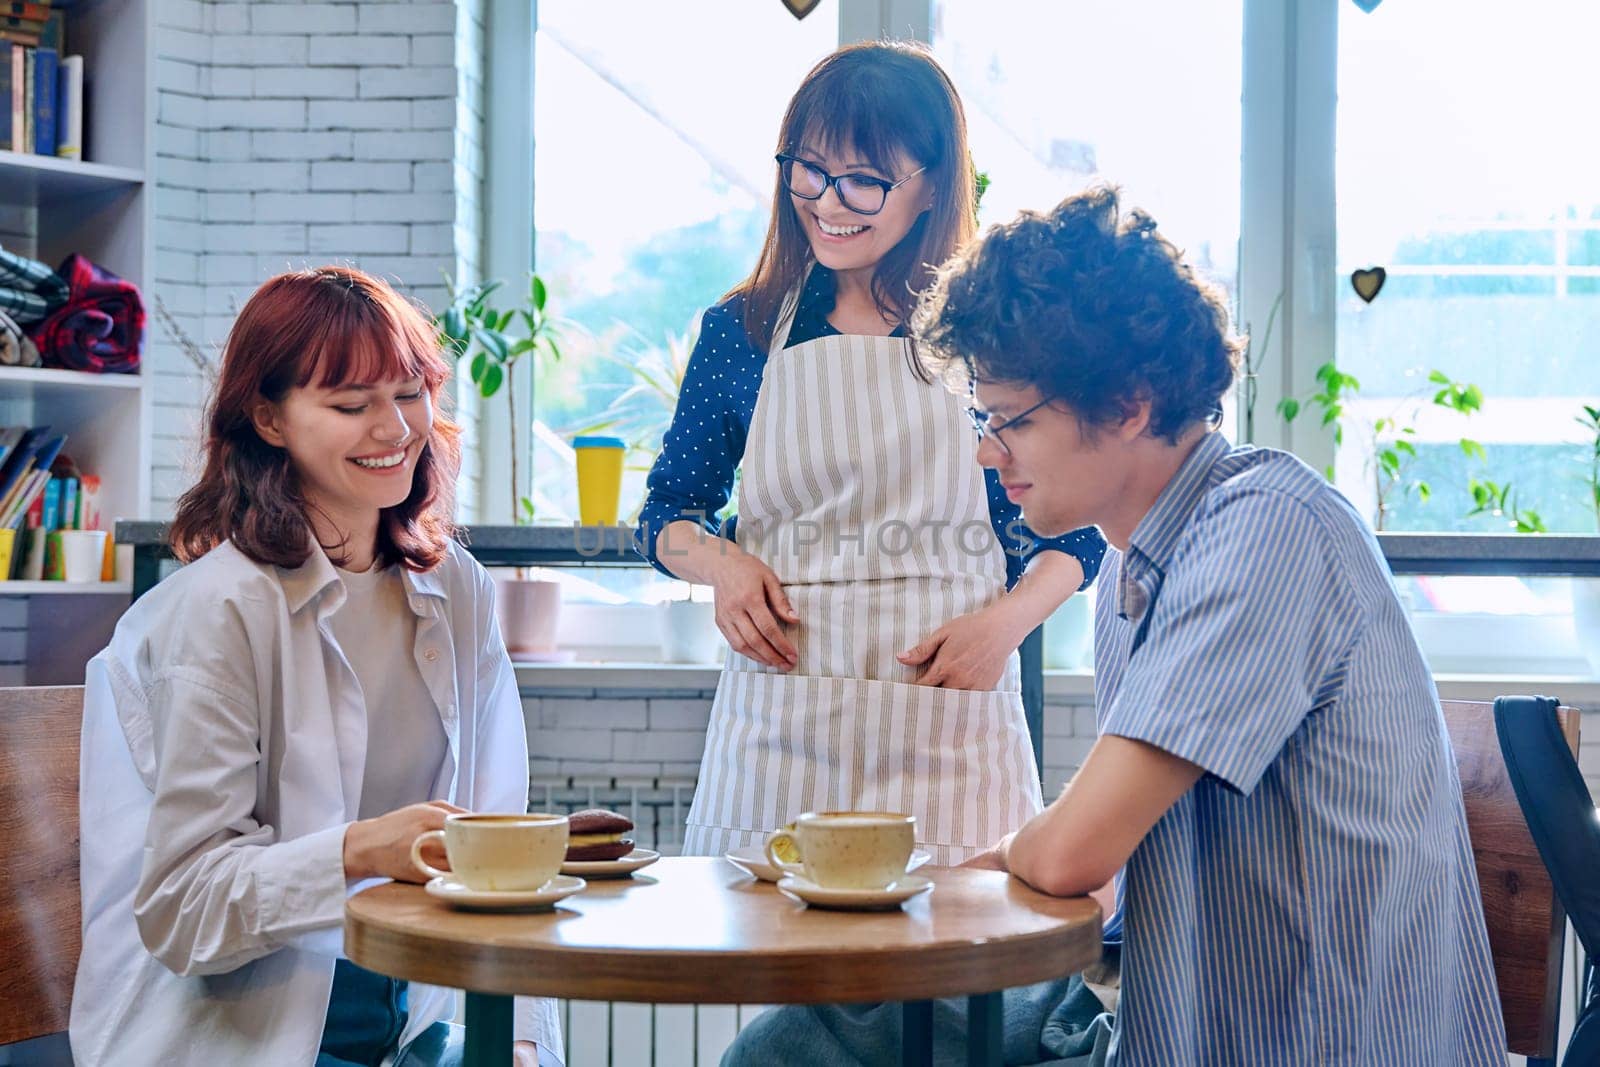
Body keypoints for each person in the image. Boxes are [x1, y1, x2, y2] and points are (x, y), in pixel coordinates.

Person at [728, 185, 1508, 1065]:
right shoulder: (1134, 577)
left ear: (1131, 403)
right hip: (1160, 1018)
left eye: (1010, 421)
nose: (989, 452)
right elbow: (1093, 865)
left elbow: (1072, 856)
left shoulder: (1267, 526)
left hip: (1300, 1041)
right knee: (801, 1040)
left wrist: (997, 864)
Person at [70, 267, 563, 1067]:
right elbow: (182, 908)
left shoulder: (453, 587)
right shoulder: (218, 609)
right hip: (232, 1026)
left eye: (409, 392)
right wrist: (360, 851)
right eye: (350, 404)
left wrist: (525, 1039)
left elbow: (500, 835)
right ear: (268, 417)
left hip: (410, 1009)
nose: (395, 428)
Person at [634, 40, 1105, 866]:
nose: (827, 202)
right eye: (808, 170)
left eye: (865, 180)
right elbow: (667, 514)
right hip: (778, 734)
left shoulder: (990, 337)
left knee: (959, 988)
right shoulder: (742, 333)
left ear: (932, 187)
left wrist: (1007, 623)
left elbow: (1078, 532)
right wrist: (723, 567)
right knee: (786, 981)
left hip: (949, 729)